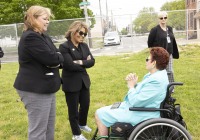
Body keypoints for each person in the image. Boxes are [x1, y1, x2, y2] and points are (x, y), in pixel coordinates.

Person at [95, 47, 169, 139]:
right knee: (108, 108)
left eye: (147, 59)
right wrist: (134, 83)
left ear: (154, 63)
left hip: (141, 114)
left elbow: (136, 102)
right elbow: (145, 92)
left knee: (100, 113)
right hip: (140, 109)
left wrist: (131, 86)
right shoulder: (156, 75)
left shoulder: (156, 80)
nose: (145, 61)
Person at [13, 5, 64, 140]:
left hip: (47, 87)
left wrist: (56, 58)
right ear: (33, 19)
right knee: (38, 132)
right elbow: (52, 58)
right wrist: (56, 58)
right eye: (45, 18)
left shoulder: (43, 36)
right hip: (35, 89)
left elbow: (57, 54)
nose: (48, 21)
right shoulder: (31, 37)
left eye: (48, 19)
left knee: (48, 128)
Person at [59, 21, 95, 140]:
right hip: (71, 83)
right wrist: (85, 62)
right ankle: (76, 134)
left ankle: (82, 124)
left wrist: (80, 62)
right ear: (73, 31)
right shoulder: (64, 46)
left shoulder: (84, 46)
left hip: (84, 80)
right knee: (73, 110)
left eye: (85, 34)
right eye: (81, 33)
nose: (83, 36)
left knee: (85, 105)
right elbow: (68, 65)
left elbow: (92, 61)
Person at [147, 11, 179, 83]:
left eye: (165, 17)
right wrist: (153, 54)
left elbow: (172, 40)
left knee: (170, 71)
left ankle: (171, 87)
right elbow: (150, 43)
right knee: (160, 70)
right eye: (161, 18)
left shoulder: (170, 29)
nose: (163, 19)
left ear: (167, 18)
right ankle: (160, 85)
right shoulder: (155, 30)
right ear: (159, 19)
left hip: (169, 53)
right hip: (159, 55)